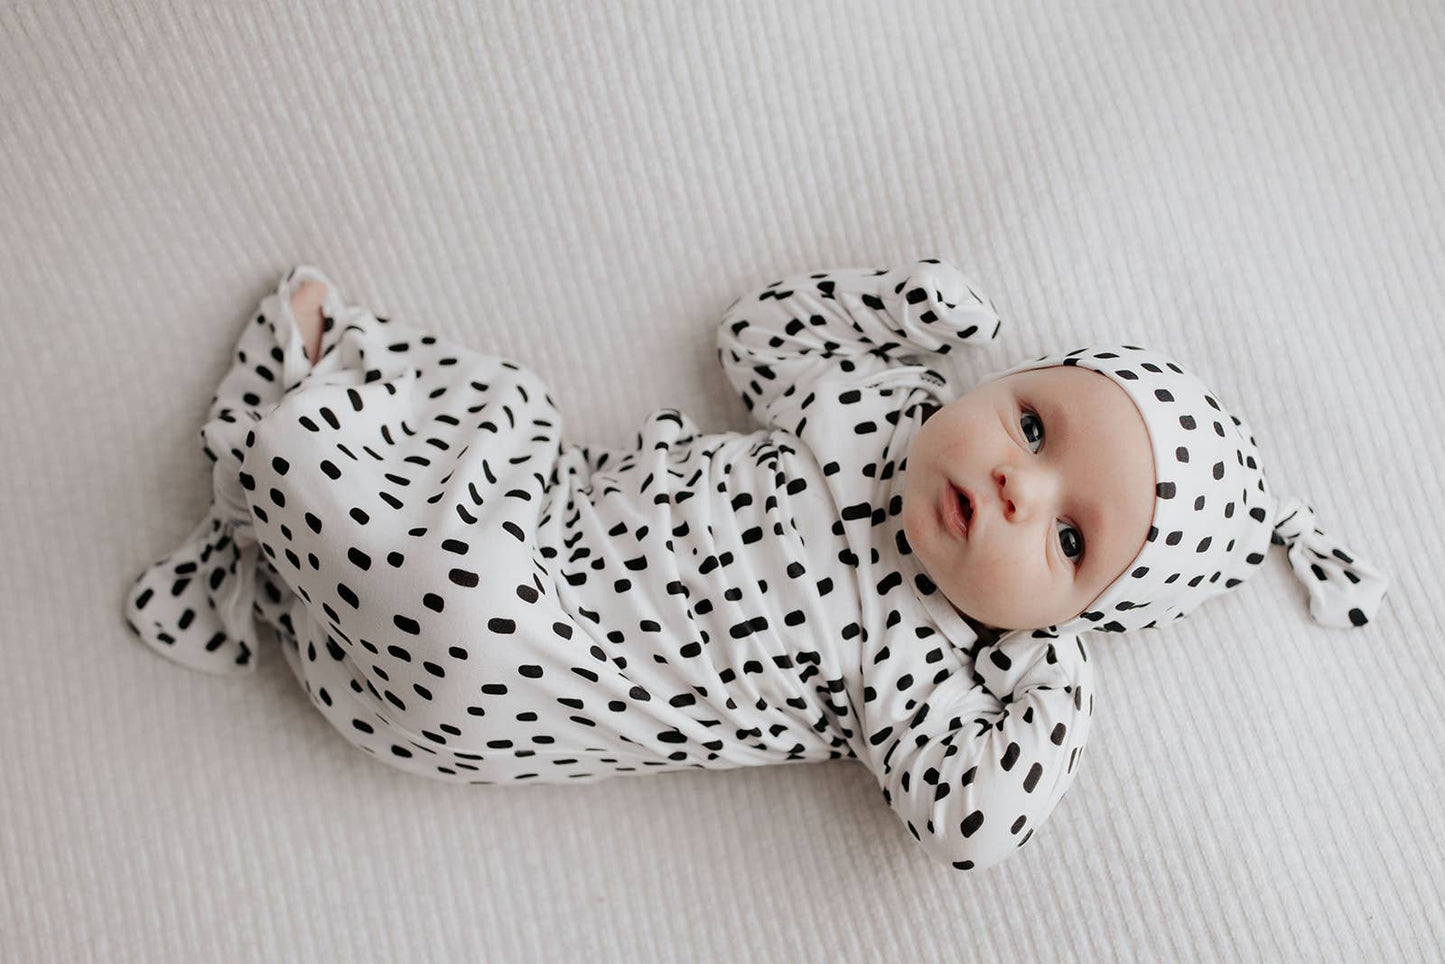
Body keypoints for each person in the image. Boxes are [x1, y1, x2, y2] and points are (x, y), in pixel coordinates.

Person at [123, 259, 1387, 871]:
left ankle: (274, 467)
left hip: (549, 670)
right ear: (994, 385)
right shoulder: (876, 411)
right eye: (1034, 425)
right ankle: (273, 546)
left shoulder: (938, 661)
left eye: (1065, 538)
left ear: (1068, 616)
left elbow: (971, 825)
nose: (1015, 482)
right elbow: (751, 337)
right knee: (504, 406)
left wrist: (1055, 691)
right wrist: (900, 307)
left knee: (464, 610)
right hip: (548, 510)